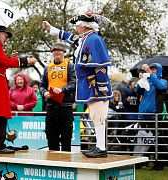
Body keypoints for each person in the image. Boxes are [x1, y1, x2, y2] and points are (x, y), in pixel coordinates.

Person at [42, 13, 113, 157]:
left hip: (96, 86)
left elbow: (101, 65)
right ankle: (99, 146)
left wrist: (102, 86)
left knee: (98, 115)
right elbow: (68, 36)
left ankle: (101, 148)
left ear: (84, 26)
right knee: (94, 115)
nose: (76, 28)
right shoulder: (85, 38)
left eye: (77, 26)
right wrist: (51, 28)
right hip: (91, 85)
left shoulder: (93, 39)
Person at [0, 26, 37, 154]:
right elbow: (4, 62)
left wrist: (9, 58)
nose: (6, 39)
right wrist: (25, 60)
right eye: (5, 35)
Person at [39, 42, 76, 152]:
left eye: (59, 50)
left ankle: (66, 165)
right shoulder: (47, 68)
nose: (56, 52)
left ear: (64, 52)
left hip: (65, 106)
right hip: (51, 106)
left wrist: (62, 90)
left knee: (66, 137)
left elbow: (74, 83)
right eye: (54, 50)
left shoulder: (70, 65)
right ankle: (52, 163)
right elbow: (42, 85)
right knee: (51, 136)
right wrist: (44, 93)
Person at [135, 63, 168, 170]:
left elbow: (161, 87)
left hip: (155, 116)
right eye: (151, 69)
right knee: (142, 140)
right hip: (143, 115)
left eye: (154, 69)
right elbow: (137, 91)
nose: (152, 71)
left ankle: (159, 164)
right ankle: (140, 161)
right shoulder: (147, 81)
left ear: (159, 71)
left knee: (157, 141)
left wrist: (149, 73)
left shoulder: (163, 81)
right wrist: (140, 82)